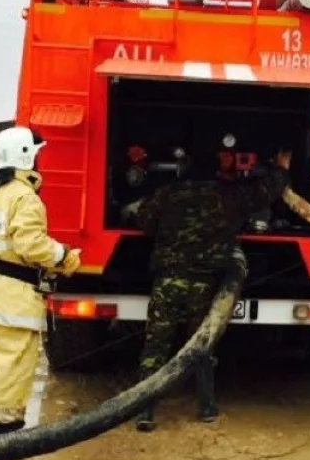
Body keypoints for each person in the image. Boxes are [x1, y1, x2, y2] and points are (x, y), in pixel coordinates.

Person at [124, 144, 292, 432]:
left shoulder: (168, 193)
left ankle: (145, 411)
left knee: (155, 347)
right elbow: (264, 192)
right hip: (203, 284)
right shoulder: (225, 195)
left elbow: (145, 222)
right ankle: (206, 408)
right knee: (201, 345)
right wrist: (280, 168)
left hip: (167, 282)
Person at [0, 126, 82, 439]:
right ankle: (2, 431)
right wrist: (64, 256)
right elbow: (32, 245)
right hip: (15, 294)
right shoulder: (25, 197)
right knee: (14, 361)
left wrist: (3, 252)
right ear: (25, 156)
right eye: (37, 154)